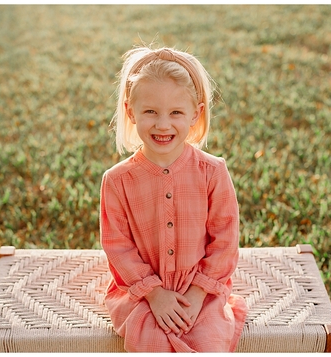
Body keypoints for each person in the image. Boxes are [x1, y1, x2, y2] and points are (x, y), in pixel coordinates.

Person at [100, 46, 247, 352]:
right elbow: (118, 246)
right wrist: (154, 294)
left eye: (176, 112)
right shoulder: (117, 181)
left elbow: (225, 239)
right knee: (149, 341)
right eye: (150, 111)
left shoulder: (212, 171)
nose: (163, 124)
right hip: (141, 293)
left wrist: (196, 294)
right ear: (130, 111)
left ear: (196, 113)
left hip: (201, 292)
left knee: (209, 342)